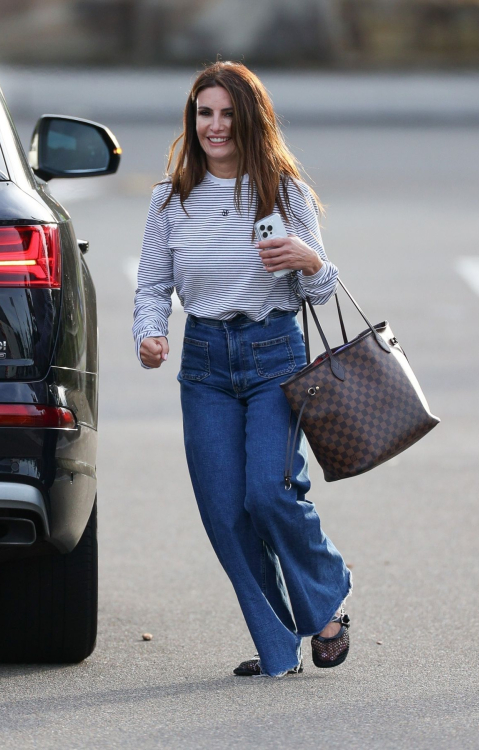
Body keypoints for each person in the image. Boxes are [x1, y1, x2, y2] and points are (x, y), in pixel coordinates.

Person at [133, 61, 352, 678]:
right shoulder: (168, 199)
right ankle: (279, 648)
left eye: (228, 113)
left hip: (273, 359)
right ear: (192, 118)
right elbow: (152, 286)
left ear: (250, 119)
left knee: (268, 493)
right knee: (226, 515)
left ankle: (328, 592)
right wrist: (149, 333)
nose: (215, 125)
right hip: (204, 364)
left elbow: (324, 290)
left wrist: (310, 260)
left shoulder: (282, 191)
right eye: (205, 113)